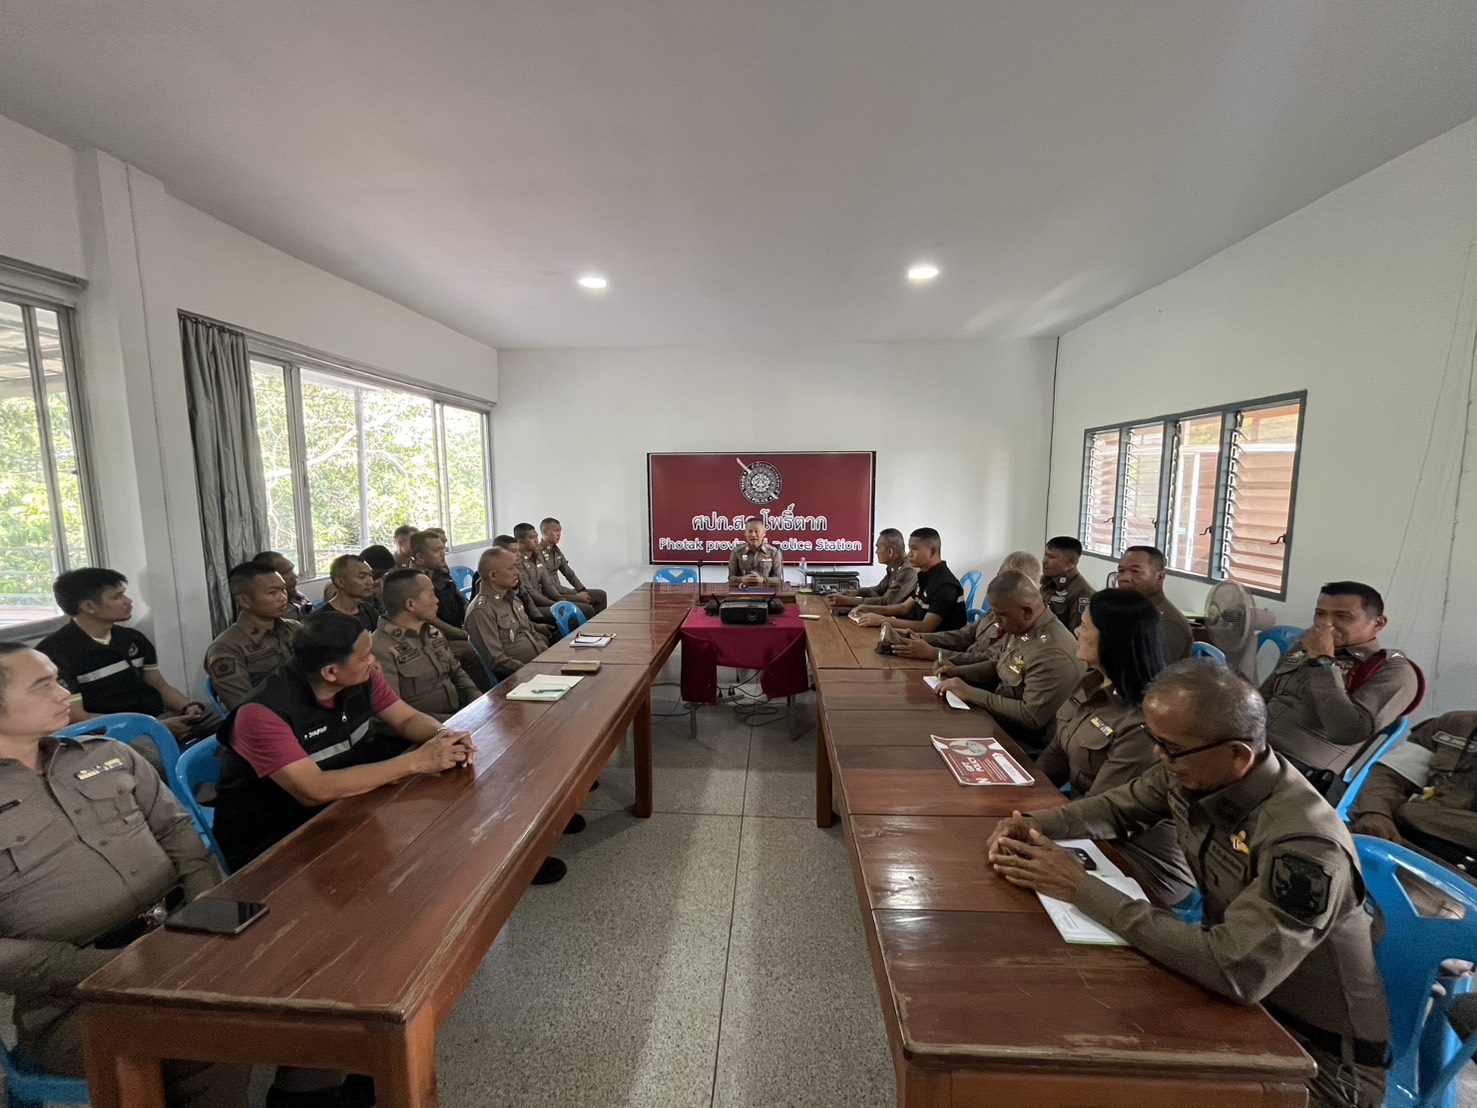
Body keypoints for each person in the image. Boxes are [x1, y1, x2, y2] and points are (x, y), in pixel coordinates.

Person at [987, 660, 1390, 1108]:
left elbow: (1235, 970)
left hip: (1317, 1063)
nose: (1158, 756)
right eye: (1156, 740)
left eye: (1171, 748)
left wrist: (1079, 887)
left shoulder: (1305, 847)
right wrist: (1035, 823)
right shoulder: (1197, 768)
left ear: (1238, 754)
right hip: (1232, 1001)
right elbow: (1116, 808)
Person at [0, 642, 249, 1107]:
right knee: (214, 1033)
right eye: (42, 685)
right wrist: (118, 966)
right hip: (77, 994)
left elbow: (176, 831)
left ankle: (312, 1092)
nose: (64, 693)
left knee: (305, 965)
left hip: (183, 930)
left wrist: (205, 911)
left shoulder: (105, 754)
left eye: (59, 679)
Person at [213, 612, 476, 869]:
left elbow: (407, 719)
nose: (373, 661)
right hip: (278, 838)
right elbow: (313, 790)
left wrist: (443, 737)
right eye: (364, 657)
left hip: (346, 803)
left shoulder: (362, 677)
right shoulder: (262, 714)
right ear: (330, 672)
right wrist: (417, 761)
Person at [1035, 589, 1193, 904]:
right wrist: (1015, 800)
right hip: (1082, 824)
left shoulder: (1144, 720)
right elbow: (1055, 756)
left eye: (1085, 626)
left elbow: (1102, 810)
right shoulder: (1092, 682)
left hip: (1137, 858)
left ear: (1112, 638)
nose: (1076, 631)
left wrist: (1036, 822)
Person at [36, 569, 215, 761]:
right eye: (117, 596)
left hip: (155, 717)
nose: (128, 601)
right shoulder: (54, 653)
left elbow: (159, 685)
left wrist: (188, 706)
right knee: (154, 760)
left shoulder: (133, 638)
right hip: (110, 731)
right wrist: (152, 726)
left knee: (228, 722)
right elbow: (77, 716)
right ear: (89, 606)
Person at [1261, 581, 1421, 793]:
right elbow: (1261, 699)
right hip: (1253, 747)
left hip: (1295, 775)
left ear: (1378, 624)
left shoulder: (1392, 670)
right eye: (1320, 614)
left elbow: (1348, 731)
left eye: (1343, 617)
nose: (1325, 625)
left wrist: (1323, 661)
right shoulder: (1303, 648)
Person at [933, 572, 1083, 750]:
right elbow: (998, 664)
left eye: (1000, 615)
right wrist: (960, 671)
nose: (996, 621)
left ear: (1026, 612)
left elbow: (1030, 716)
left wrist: (970, 693)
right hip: (998, 722)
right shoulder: (1021, 627)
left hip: (1024, 744)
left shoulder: (1051, 652)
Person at [1348, 711, 1475, 881]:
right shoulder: (1454, 724)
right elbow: (1391, 775)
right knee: (1323, 843)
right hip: (1399, 838)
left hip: (1462, 870)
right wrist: (1375, 812)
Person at [889, 550, 1038, 663]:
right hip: (959, 667)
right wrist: (922, 637)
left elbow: (986, 661)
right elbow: (964, 635)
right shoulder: (998, 610)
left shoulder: (1018, 623)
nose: (997, 582)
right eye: (998, 576)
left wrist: (934, 654)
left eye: (1004, 580)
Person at [372, 570, 480, 722]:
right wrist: (452, 722)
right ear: (411, 604)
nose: (437, 600)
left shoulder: (432, 633)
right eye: (431, 595)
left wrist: (478, 703)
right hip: (426, 729)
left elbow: (457, 673)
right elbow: (394, 712)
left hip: (458, 717)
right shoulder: (380, 649)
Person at [203, 562, 300, 712]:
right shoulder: (226, 647)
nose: (282, 598)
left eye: (283, 589)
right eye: (272, 593)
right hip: (270, 717)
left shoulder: (294, 628)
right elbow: (242, 706)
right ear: (244, 601)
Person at [854, 527, 967, 633]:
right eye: (909, 549)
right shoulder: (925, 575)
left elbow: (925, 627)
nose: (909, 555)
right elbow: (903, 608)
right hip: (920, 637)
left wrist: (882, 620)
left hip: (937, 644)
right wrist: (868, 608)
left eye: (914, 549)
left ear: (932, 551)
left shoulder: (944, 585)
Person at [465, 547, 550, 682]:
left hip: (538, 667)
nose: (517, 573)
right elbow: (497, 660)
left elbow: (533, 634)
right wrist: (531, 670)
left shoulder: (512, 599)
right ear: (493, 575)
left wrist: (548, 658)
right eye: (511, 568)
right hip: (517, 678)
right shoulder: (481, 611)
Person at [1114, 546, 1193, 661]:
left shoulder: (1166, 622)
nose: (1124, 578)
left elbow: (1155, 670)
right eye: (1121, 571)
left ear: (1159, 578)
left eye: (1135, 571)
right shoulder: (1128, 609)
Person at [825, 529, 919, 610]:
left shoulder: (907, 570)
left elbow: (888, 601)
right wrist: (857, 592)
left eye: (878, 548)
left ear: (890, 552)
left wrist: (849, 601)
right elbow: (879, 590)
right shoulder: (893, 567)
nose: (876, 552)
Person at [514, 521, 586, 624]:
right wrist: (559, 602)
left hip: (549, 598)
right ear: (521, 543)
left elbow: (549, 583)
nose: (536, 540)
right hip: (536, 604)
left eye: (536, 536)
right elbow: (530, 593)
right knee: (575, 613)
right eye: (532, 538)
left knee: (590, 603)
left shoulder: (538, 557)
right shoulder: (520, 563)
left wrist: (563, 600)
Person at [537, 517, 607, 614]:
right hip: (550, 595)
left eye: (560, 531)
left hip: (562, 592)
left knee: (601, 595)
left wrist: (582, 590)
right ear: (545, 532)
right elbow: (548, 584)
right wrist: (575, 594)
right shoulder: (538, 553)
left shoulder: (555, 550)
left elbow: (569, 573)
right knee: (587, 608)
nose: (559, 534)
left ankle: (595, 623)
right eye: (556, 530)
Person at [1041, 536, 1096, 633]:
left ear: (1072, 561)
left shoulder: (1083, 592)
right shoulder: (1047, 583)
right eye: (1045, 555)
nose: (1044, 560)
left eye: (1051, 557)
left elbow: (1077, 634)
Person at [322, 554, 380, 633]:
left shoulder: (369, 610)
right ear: (340, 581)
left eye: (370, 575)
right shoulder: (322, 619)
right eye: (362, 576)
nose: (371, 582)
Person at [254, 552, 314, 619]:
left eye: (292, 570)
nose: (294, 576)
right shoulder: (268, 611)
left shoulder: (295, 594)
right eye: (287, 572)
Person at [727, 518, 784, 587]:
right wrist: (742, 579)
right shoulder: (737, 552)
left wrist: (763, 580)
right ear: (745, 533)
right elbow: (731, 577)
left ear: (764, 533)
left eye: (757, 531)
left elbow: (778, 579)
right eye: (750, 531)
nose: (753, 535)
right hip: (743, 591)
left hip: (766, 591)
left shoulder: (773, 552)